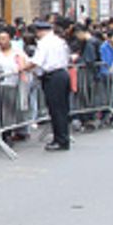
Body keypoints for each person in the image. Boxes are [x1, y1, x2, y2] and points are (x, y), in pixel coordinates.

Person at [29, 21, 72, 150]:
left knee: (56, 110)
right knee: (62, 109)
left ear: (40, 31)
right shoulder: (59, 41)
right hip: (63, 74)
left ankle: (60, 140)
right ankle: (62, 137)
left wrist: (24, 67)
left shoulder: (44, 43)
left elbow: (37, 61)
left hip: (53, 76)